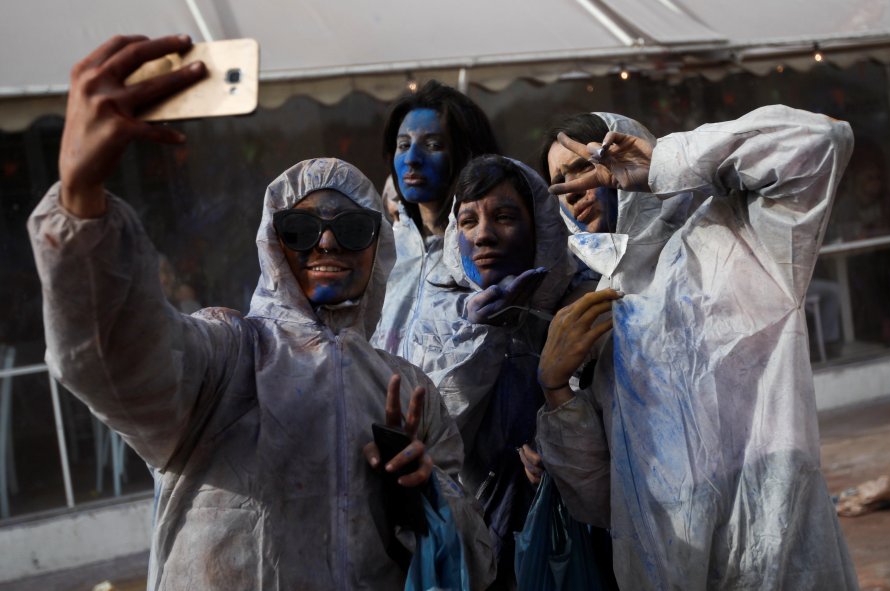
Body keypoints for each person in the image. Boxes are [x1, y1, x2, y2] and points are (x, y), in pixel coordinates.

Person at [29, 35, 494, 590]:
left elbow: (477, 558)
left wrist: (427, 497)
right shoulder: (227, 358)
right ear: (273, 244)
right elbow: (115, 359)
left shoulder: (406, 391)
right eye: (299, 230)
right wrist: (82, 202)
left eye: (351, 229)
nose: (325, 244)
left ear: (379, 246)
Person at [534, 107, 859, 589]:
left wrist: (666, 163)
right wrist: (557, 388)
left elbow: (819, 142)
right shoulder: (595, 316)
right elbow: (601, 499)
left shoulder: (735, 233)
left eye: (584, 165)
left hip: (780, 553)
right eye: (559, 180)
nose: (575, 189)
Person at [397, 154, 574, 586]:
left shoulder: (579, 305)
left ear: (542, 228)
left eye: (504, 217)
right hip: (469, 558)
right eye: (468, 220)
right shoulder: (437, 319)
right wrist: (479, 339)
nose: (483, 236)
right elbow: (436, 441)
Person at [371, 81, 500, 356]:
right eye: (403, 145)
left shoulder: (488, 251)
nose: (412, 159)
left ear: (466, 153)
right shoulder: (383, 254)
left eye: (432, 145)